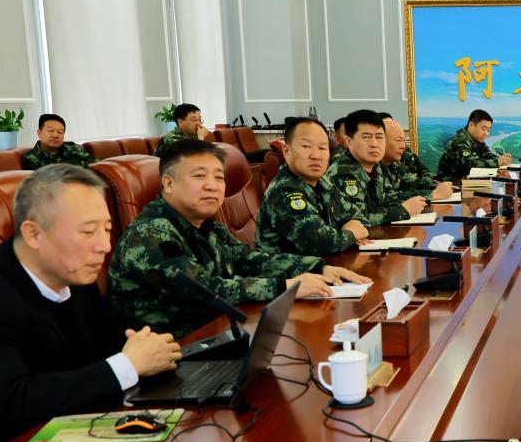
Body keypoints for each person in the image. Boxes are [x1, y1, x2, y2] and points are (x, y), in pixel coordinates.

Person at [109, 140, 367, 338]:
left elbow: (250, 259)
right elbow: (206, 291)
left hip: (216, 337)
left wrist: (317, 267)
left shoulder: (206, 226)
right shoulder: (151, 234)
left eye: (219, 177)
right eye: (199, 176)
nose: (212, 185)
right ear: (168, 184)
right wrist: (286, 286)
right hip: (173, 356)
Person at [0, 165, 181, 440]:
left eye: (107, 229)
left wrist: (153, 347)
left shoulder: (73, 274)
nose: (105, 245)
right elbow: (13, 401)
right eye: (87, 232)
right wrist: (128, 365)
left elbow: (115, 333)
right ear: (34, 234)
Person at [256, 118, 371, 256]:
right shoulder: (284, 191)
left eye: (322, 148)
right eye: (306, 146)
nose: (316, 156)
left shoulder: (323, 182)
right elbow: (320, 242)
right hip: (293, 268)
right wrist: (351, 234)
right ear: (286, 151)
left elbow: (359, 215)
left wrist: (348, 232)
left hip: (329, 263)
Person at [325, 110, 429, 226]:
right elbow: (358, 218)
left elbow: (389, 198)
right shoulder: (343, 171)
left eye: (379, 137)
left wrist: (422, 199)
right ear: (349, 142)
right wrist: (403, 210)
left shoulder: (377, 167)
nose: (374, 144)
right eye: (366, 137)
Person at [380, 117, 453, 200]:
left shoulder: (393, 163)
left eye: (403, 141)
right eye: (398, 140)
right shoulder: (373, 168)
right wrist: (433, 194)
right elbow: (387, 199)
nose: (403, 146)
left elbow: (423, 170)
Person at [435, 109, 512, 181]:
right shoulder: (459, 141)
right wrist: (497, 162)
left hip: (468, 181)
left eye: (488, 130)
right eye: (483, 129)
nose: (486, 134)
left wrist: (502, 160)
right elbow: (469, 164)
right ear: (471, 125)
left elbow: (487, 154)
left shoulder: (477, 139)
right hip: (450, 184)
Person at [20, 114, 96, 170]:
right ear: (39, 133)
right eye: (50, 131)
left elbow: (96, 165)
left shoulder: (72, 146)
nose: (55, 135)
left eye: (60, 132)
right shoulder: (31, 158)